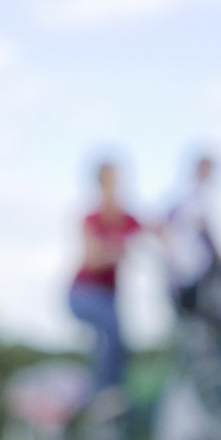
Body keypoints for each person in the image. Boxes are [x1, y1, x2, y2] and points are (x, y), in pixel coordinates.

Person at [161, 150, 221, 364]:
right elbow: (216, 249)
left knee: (217, 342)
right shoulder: (195, 203)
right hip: (196, 294)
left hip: (187, 293)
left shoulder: (181, 205)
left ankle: (220, 384)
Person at [68, 157, 144, 403]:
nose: (116, 186)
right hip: (84, 294)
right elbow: (92, 260)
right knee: (112, 332)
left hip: (111, 297)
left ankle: (110, 402)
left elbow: (157, 232)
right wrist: (115, 251)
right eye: (111, 181)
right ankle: (104, 396)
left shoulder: (128, 219)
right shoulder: (93, 218)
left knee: (120, 345)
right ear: (101, 184)